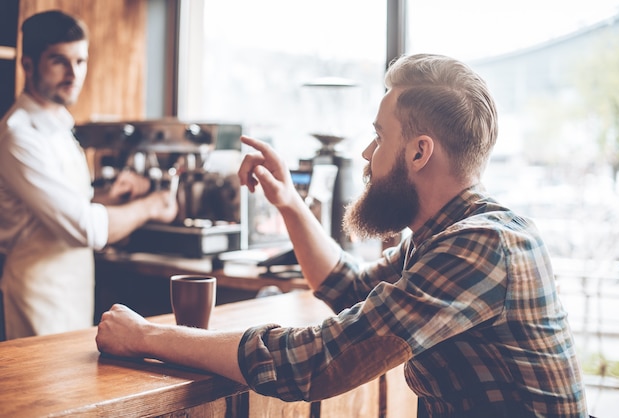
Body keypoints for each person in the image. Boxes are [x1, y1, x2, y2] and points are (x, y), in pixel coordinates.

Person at [96, 53, 588, 417]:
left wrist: (146, 336)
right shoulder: (439, 237)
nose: (366, 154)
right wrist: (288, 201)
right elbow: (351, 288)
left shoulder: (481, 246)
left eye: (378, 136)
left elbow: (314, 363)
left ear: (419, 153)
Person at [0, 10, 178, 340]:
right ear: (27, 65)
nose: (73, 74)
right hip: (38, 297)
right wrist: (152, 205)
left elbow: (61, 210)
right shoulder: (19, 135)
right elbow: (85, 227)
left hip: (73, 290)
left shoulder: (61, 126)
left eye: (80, 61)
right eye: (59, 61)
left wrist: (109, 197)